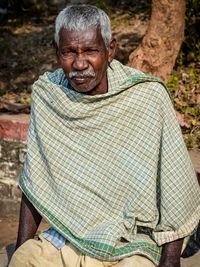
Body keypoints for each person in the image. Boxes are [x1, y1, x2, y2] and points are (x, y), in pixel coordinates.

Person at [9, 4, 200, 267]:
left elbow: (174, 184)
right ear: (56, 52)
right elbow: (36, 178)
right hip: (70, 235)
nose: (79, 64)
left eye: (90, 51)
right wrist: (19, 249)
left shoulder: (146, 97)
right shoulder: (49, 95)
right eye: (68, 52)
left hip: (132, 242)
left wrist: (170, 260)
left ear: (110, 50)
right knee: (24, 260)